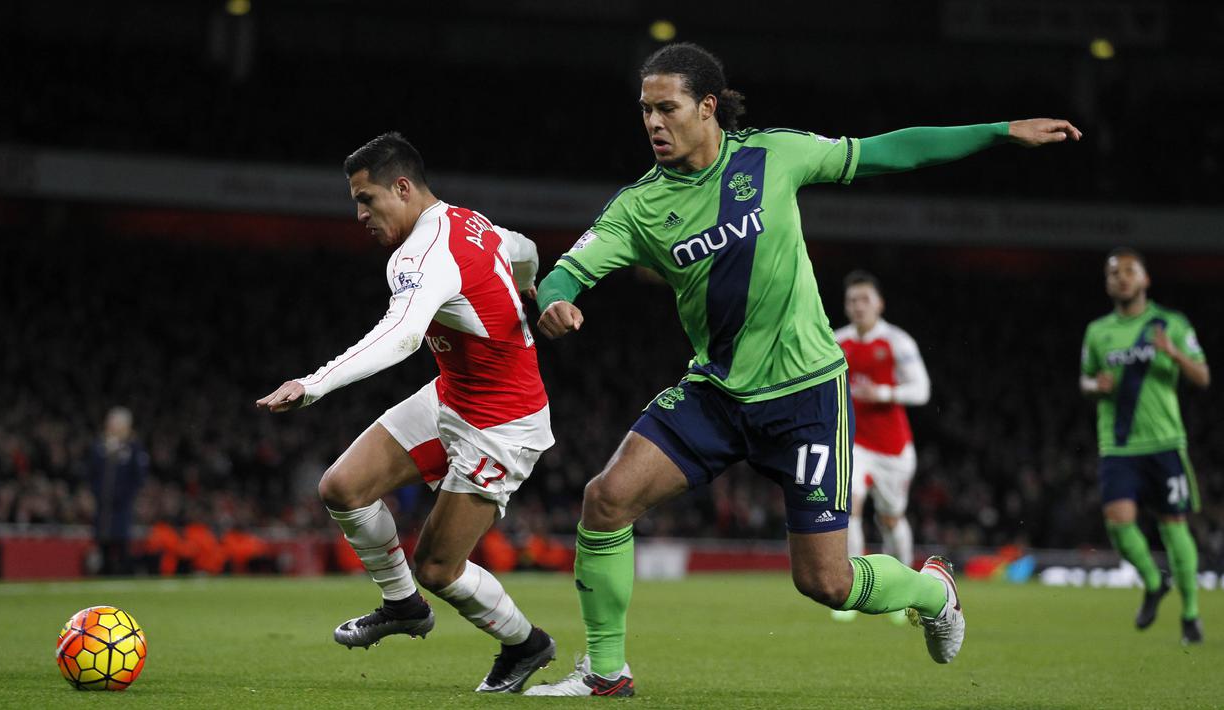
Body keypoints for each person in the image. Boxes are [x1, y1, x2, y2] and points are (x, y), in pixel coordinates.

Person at [524, 42, 1080, 697]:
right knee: (605, 498)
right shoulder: (638, 206)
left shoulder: (772, 155)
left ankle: (932, 591)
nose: (652, 122)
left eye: (666, 108)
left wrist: (995, 132)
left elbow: (884, 151)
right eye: (644, 110)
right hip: (718, 392)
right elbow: (569, 266)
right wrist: (556, 297)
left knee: (825, 582)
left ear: (706, 108)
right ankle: (604, 674)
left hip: (805, 396)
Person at [256, 132, 557, 692]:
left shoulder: (421, 253)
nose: (360, 214)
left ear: (402, 187)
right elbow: (523, 247)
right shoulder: (472, 221)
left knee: (439, 568)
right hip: (454, 394)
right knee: (342, 488)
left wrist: (314, 383)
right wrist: (529, 283)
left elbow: (400, 337)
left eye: (367, 199)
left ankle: (526, 645)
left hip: (502, 424)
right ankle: (403, 607)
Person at [1079, 247, 1210, 644]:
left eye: (1129, 271)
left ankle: (1190, 614)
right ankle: (1155, 582)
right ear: (1107, 284)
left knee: (1174, 526)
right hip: (1118, 445)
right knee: (1118, 524)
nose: (1121, 277)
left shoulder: (1170, 324)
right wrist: (1094, 386)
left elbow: (1202, 376)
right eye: (1113, 273)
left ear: (1145, 279)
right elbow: (1084, 380)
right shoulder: (1098, 332)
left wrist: (1173, 354)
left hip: (1164, 441)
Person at [831, 271, 930, 623]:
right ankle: (851, 590)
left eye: (864, 300)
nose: (858, 307)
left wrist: (884, 393)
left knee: (890, 519)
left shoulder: (897, 342)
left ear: (879, 304)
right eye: (852, 301)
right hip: (854, 445)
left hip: (893, 449)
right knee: (849, 507)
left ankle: (904, 592)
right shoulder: (836, 341)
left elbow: (921, 390)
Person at [88, 406, 149, 576]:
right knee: (103, 542)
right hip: (103, 506)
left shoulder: (133, 448)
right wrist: (96, 493)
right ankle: (105, 573)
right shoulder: (100, 447)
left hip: (122, 506)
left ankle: (124, 573)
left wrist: (127, 494)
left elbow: (139, 476)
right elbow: (91, 473)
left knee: (122, 542)